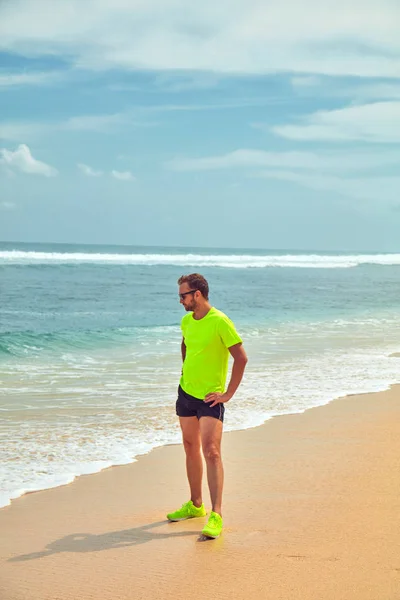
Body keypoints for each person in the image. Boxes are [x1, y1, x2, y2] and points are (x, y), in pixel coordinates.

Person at [166, 273, 248, 538]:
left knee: (211, 451)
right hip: (186, 392)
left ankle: (217, 514)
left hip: (211, 398)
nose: (180, 300)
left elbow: (241, 358)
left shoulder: (220, 322)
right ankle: (195, 505)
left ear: (197, 294)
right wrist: (184, 371)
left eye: (183, 295)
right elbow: (185, 344)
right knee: (190, 446)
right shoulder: (187, 321)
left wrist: (228, 395)